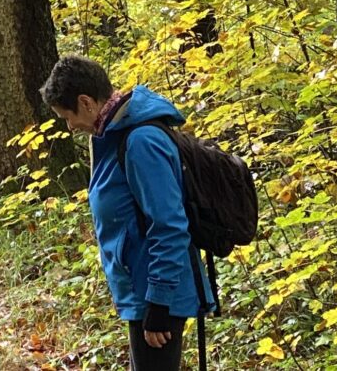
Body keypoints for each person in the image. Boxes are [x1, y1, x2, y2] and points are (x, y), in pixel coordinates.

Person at [40, 55, 214, 371]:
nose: (70, 126)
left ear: (86, 102)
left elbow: (170, 225)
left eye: (67, 116)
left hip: (158, 296)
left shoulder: (140, 141)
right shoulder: (112, 137)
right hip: (142, 292)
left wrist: (159, 303)